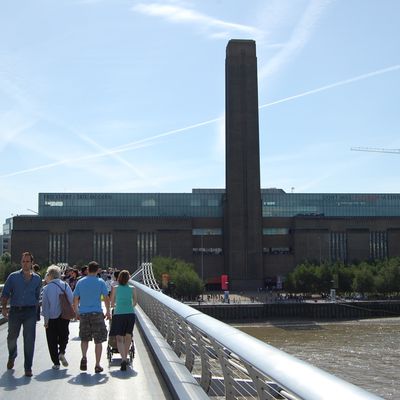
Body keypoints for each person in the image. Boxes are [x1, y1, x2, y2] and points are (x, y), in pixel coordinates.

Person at [1, 251, 42, 377]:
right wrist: (3, 307)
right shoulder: (13, 277)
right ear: (21, 262)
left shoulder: (37, 278)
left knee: (29, 340)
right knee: (11, 338)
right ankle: (12, 355)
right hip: (15, 311)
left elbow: (37, 295)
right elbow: (6, 293)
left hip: (29, 312)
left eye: (28, 261)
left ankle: (28, 367)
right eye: (23, 261)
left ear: (32, 263)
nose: (25, 264)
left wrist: (36, 311)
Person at [73, 261, 111, 373]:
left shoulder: (80, 282)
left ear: (88, 269)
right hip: (97, 313)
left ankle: (84, 357)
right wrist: (108, 311)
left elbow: (75, 298)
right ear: (97, 270)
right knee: (98, 341)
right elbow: (106, 298)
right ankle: (97, 365)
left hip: (84, 313)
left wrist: (77, 312)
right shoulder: (100, 282)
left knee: (84, 338)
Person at [41, 265, 74, 370]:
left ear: (49, 275)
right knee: (64, 335)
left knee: (52, 340)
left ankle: (56, 363)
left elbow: (45, 306)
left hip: (51, 318)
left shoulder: (46, 288)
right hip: (64, 316)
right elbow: (71, 299)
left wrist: (45, 321)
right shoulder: (65, 285)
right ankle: (62, 351)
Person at [109, 270, 137, 371]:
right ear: (128, 278)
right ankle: (126, 356)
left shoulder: (115, 288)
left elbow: (112, 303)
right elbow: (135, 302)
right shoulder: (133, 288)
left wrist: (116, 305)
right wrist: (129, 306)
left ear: (119, 278)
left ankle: (123, 359)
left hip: (118, 314)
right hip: (130, 314)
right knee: (128, 336)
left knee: (119, 338)